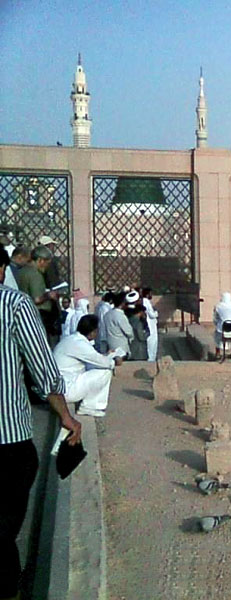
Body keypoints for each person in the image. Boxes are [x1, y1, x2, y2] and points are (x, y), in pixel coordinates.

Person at [0, 247, 82, 600]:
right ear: (3, 270)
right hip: (8, 439)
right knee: (4, 525)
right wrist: (66, 416)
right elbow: (44, 370)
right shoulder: (14, 305)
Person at [53, 314, 121, 418]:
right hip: (67, 390)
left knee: (98, 368)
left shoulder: (72, 339)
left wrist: (106, 356)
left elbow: (92, 360)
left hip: (62, 385)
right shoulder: (79, 343)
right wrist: (114, 360)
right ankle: (89, 406)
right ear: (93, 332)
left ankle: (88, 405)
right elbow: (103, 363)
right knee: (105, 371)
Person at [16, 245, 60, 345]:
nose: (47, 267)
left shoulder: (22, 271)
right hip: (39, 315)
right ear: (40, 260)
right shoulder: (35, 274)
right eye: (47, 263)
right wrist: (49, 295)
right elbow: (36, 298)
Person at [104, 292, 134, 357]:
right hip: (121, 348)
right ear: (123, 303)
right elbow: (129, 332)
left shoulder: (107, 314)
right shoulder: (120, 315)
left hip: (111, 346)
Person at [141, 288, 159, 362]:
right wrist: (156, 313)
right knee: (152, 343)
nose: (152, 295)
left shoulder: (145, 301)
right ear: (147, 294)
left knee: (152, 343)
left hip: (151, 324)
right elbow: (151, 314)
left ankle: (152, 358)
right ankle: (151, 359)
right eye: (151, 293)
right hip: (150, 325)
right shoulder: (146, 302)